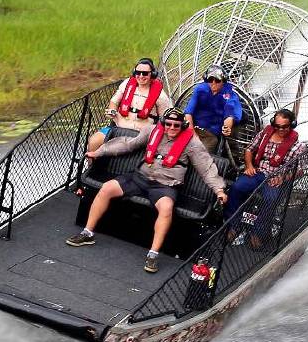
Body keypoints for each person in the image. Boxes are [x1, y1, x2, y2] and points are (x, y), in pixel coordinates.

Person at [67, 109, 229, 273]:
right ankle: (87, 233)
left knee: (166, 208)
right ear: (163, 123)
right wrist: (99, 151)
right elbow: (127, 144)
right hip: (139, 177)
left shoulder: (192, 143)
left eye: (176, 125)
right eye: (168, 124)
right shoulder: (152, 131)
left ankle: (152, 255)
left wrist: (219, 191)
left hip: (165, 185)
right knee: (106, 188)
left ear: (183, 126)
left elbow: (207, 168)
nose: (172, 128)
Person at [224, 108, 306, 249]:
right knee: (236, 188)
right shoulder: (264, 134)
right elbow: (249, 149)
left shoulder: (299, 147)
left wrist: (283, 178)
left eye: (284, 127)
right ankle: (234, 225)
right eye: (277, 126)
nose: (280, 129)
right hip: (258, 172)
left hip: (276, 178)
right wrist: (249, 166)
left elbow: (300, 170)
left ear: (291, 125)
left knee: (271, 200)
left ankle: (258, 232)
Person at [88, 58, 173, 152]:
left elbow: (164, 118)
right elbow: (114, 102)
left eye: (145, 73)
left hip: (141, 133)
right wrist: (112, 111)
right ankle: (92, 166)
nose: (141, 76)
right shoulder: (126, 84)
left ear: (152, 74)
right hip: (118, 127)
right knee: (93, 141)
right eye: (138, 72)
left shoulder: (160, 95)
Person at [183, 64, 242, 154]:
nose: (213, 83)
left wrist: (226, 128)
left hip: (210, 134)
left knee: (201, 154)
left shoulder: (229, 94)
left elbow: (229, 114)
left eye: (217, 80)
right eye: (210, 80)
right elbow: (188, 113)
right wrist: (193, 134)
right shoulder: (200, 89)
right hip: (192, 128)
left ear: (223, 81)